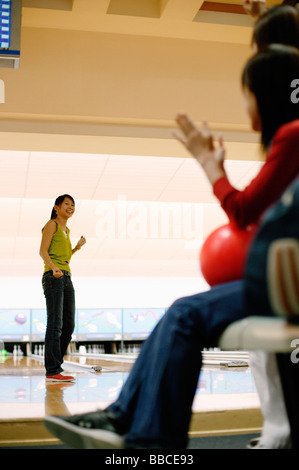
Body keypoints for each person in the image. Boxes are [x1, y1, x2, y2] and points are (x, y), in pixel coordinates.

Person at [44, 45, 299, 448]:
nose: (246, 104)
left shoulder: (292, 134)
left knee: (183, 315)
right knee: (182, 312)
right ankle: (124, 419)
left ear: (266, 93)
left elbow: (243, 210)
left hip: (282, 289)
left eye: (247, 93)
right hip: (278, 286)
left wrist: (208, 164)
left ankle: (148, 440)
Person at [39, 194, 86, 382]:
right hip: (53, 278)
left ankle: (55, 365)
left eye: (73, 205)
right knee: (55, 324)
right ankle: (52, 370)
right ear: (56, 207)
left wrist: (76, 248)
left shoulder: (66, 230)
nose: (71, 207)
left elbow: (64, 257)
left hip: (66, 277)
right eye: (67, 204)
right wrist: (53, 268)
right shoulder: (52, 224)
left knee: (69, 324)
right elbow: (43, 251)